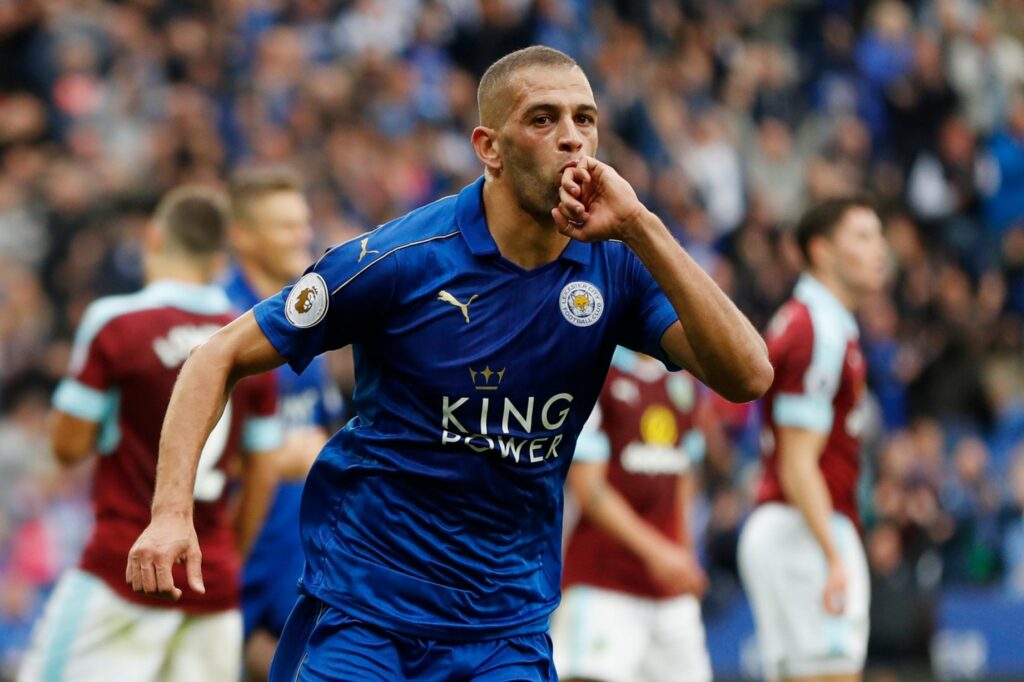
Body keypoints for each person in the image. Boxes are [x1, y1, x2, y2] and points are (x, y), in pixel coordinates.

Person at [127, 46, 773, 681]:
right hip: (367, 613)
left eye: (586, 119)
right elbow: (216, 355)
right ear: (489, 148)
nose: (572, 139)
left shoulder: (618, 265)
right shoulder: (402, 259)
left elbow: (749, 376)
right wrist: (168, 513)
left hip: (505, 627)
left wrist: (643, 227)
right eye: (543, 119)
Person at [19, 187, 283, 682]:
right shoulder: (248, 336)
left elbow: (66, 447)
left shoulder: (117, 323)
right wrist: (229, 556)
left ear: (154, 237)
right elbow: (263, 471)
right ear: (219, 259)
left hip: (122, 572)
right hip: (213, 583)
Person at [737, 197, 888, 682]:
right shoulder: (817, 330)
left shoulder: (813, 321)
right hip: (805, 531)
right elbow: (798, 464)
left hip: (788, 528)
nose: (880, 250)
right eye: (863, 237)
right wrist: (833, 554)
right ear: (821, 251)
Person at [224, 166, 345, 680]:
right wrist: (273, 461)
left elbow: (326, 432)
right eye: (286, 226)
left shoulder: (305, 320)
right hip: (232, 549)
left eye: (304, 223)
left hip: (292, 552)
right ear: (243, 236)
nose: (304, 236)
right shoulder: (221, 326)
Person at [552, 346, 713, 682]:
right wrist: (660, 552)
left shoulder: (682, 383)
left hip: (669, 590)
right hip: (602, 581)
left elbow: (682, 477)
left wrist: (684, 553)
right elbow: (589, 489)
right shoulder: (596, 371)